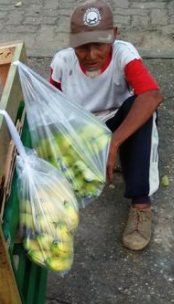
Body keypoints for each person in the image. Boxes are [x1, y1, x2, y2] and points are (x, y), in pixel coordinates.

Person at [49, 0, 164, 250]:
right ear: (71, 43)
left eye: (99, 45)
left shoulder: (124, 54)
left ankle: (141, 204)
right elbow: (51, 106)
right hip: (82, 128)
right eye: (82, 47)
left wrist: (114, 142)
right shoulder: (62, 62)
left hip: (117, 121)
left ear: (114, 35)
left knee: (141, 109)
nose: (91, 55)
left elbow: (152, 95)